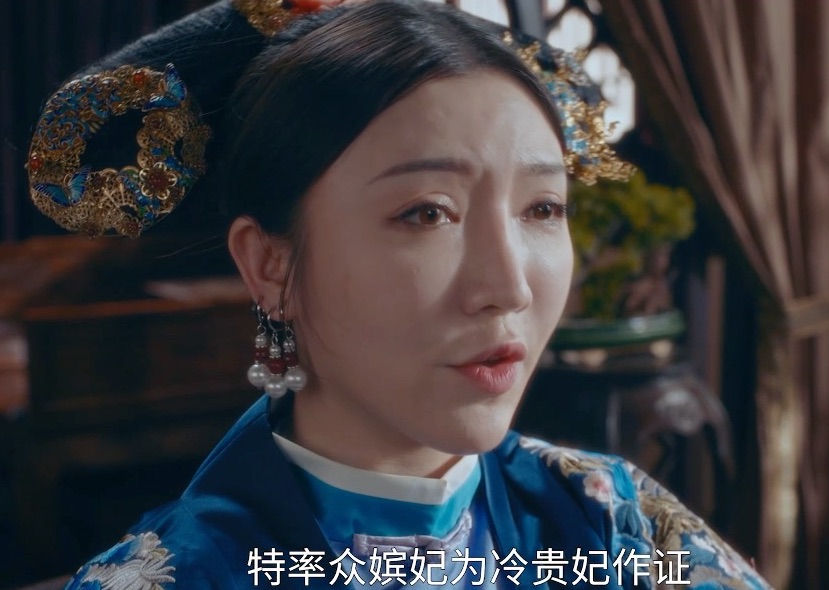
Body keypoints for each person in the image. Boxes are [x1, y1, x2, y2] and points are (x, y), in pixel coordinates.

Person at [26, 0, 772, 588]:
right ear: (270, 264)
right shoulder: (185, 575)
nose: (509, 286)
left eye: (543, 208)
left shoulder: (613, 525)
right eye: (427, 214)